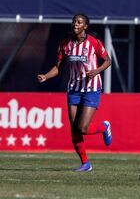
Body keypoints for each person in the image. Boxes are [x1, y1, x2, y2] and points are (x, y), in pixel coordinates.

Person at [37, 13, 112, 172]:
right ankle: (86, 163)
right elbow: (58, 67)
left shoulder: (94, 42)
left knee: (82, 128)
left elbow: (108, 61)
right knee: (74, 129)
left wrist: (96, 71)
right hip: (73, 89)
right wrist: (45, 76)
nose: (75, 24)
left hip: (91, 88)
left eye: (79, 22)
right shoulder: (65, 43)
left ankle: (104, 128)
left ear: (85, 26)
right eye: (74, 21)